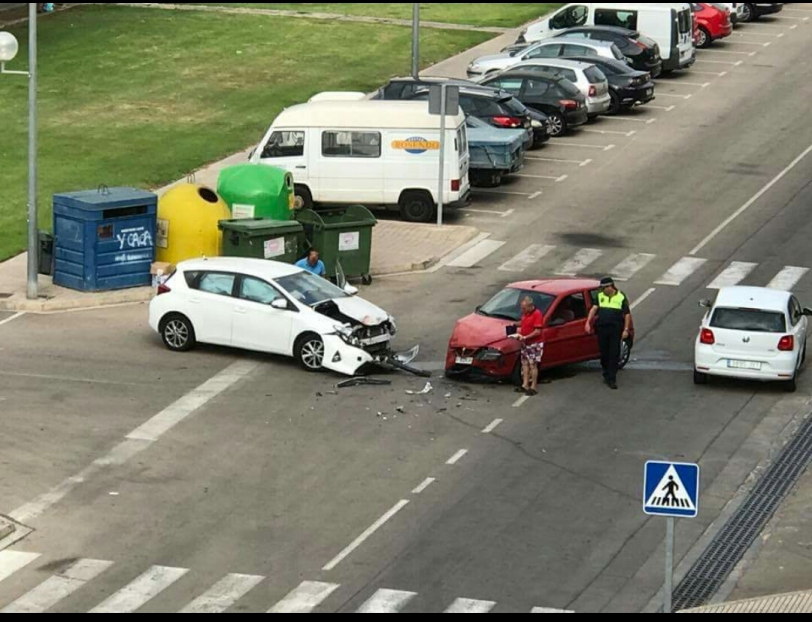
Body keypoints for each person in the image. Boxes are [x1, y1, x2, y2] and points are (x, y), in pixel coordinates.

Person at [586, 277, 631, 390]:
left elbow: (627, 314)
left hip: (616, 329)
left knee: (614, 353)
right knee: (604, 353)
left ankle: (612, 378)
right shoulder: (600, 296)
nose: (603, 290)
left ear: (611, 286)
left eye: (604, 287)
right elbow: (594, 309)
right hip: (602, 329)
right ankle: (606, 372)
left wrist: (626, 329)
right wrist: (588, 322)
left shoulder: (621, 296)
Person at [510, 296, 544, 397]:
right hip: (526, 343)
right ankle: (525, 384)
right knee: (524, 363)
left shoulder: (537, 314)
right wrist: (515, 324)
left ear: (530, 306)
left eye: (524, 308)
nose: (522, 310)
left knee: (533, 365)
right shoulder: (525, 314)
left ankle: (533, 386)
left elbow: (538, 331)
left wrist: (525, 337)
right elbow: (523, 322)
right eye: (521, 308)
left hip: (534, 343)